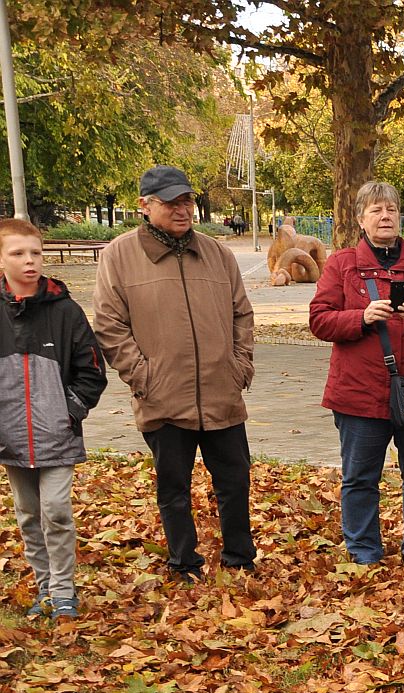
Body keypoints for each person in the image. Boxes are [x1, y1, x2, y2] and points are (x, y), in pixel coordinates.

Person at [94, 164, 257, 582]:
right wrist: (142, 376)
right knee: (173, 488)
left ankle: (240, 559)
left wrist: (240, 364)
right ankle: (184, 564)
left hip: (222, 391)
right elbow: (110, 325)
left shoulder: (217, 253)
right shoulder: (119, 255)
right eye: (171, 202)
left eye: (186, 200)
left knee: (235, 482)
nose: (182, 209)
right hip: (163, 395)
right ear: (145, 206)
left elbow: (242, 313)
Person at [308, 181, 404, 565]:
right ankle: (364, 551)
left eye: (391, 209)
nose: (385, 216)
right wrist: (359, 317)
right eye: (376, 210)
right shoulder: (342, 264)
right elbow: (319, 320)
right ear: (361, 218)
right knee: (360, 478)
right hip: (359, 393)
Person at [0, 219, 106, 619]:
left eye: (36, 253)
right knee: (28, 515)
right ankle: (44, 587)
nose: (30, 261)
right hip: (10, 439)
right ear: (1, 258)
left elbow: (92, 369)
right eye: (18, 253)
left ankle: (64, 591)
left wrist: (69, 411)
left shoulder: (65, 311)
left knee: (56, 511)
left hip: (56, 436)